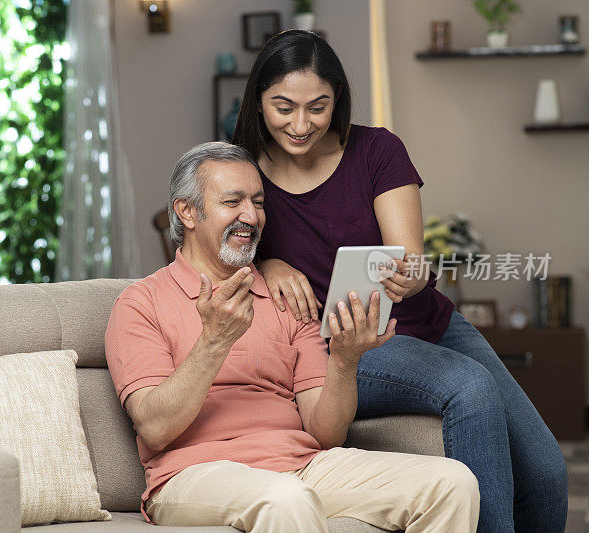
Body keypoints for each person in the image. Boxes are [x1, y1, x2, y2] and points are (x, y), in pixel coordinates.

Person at [230, 29, 567, 532]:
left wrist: (411, 275)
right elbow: (208, 251)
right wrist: (266, 264)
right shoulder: (242, 172)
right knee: (467, 387)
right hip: (344, 348)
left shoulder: (377, 150)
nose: (300, 125)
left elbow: (410, 256)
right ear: (258, 101)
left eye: (317, 107)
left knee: (547, 474)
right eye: (284, 107)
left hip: (430, 324)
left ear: (337, 101)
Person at [105, 141, 479, 533]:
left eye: (258, 202)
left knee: (452, 483)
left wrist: (344, 359)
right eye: (232, 202)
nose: (250, 215)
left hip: (301, 466)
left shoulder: (285, 297)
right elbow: (154, 428)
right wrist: (214, 341)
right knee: (286, 499)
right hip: (193, 474)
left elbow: (325, 434)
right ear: (187, 212)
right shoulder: (140, 303)